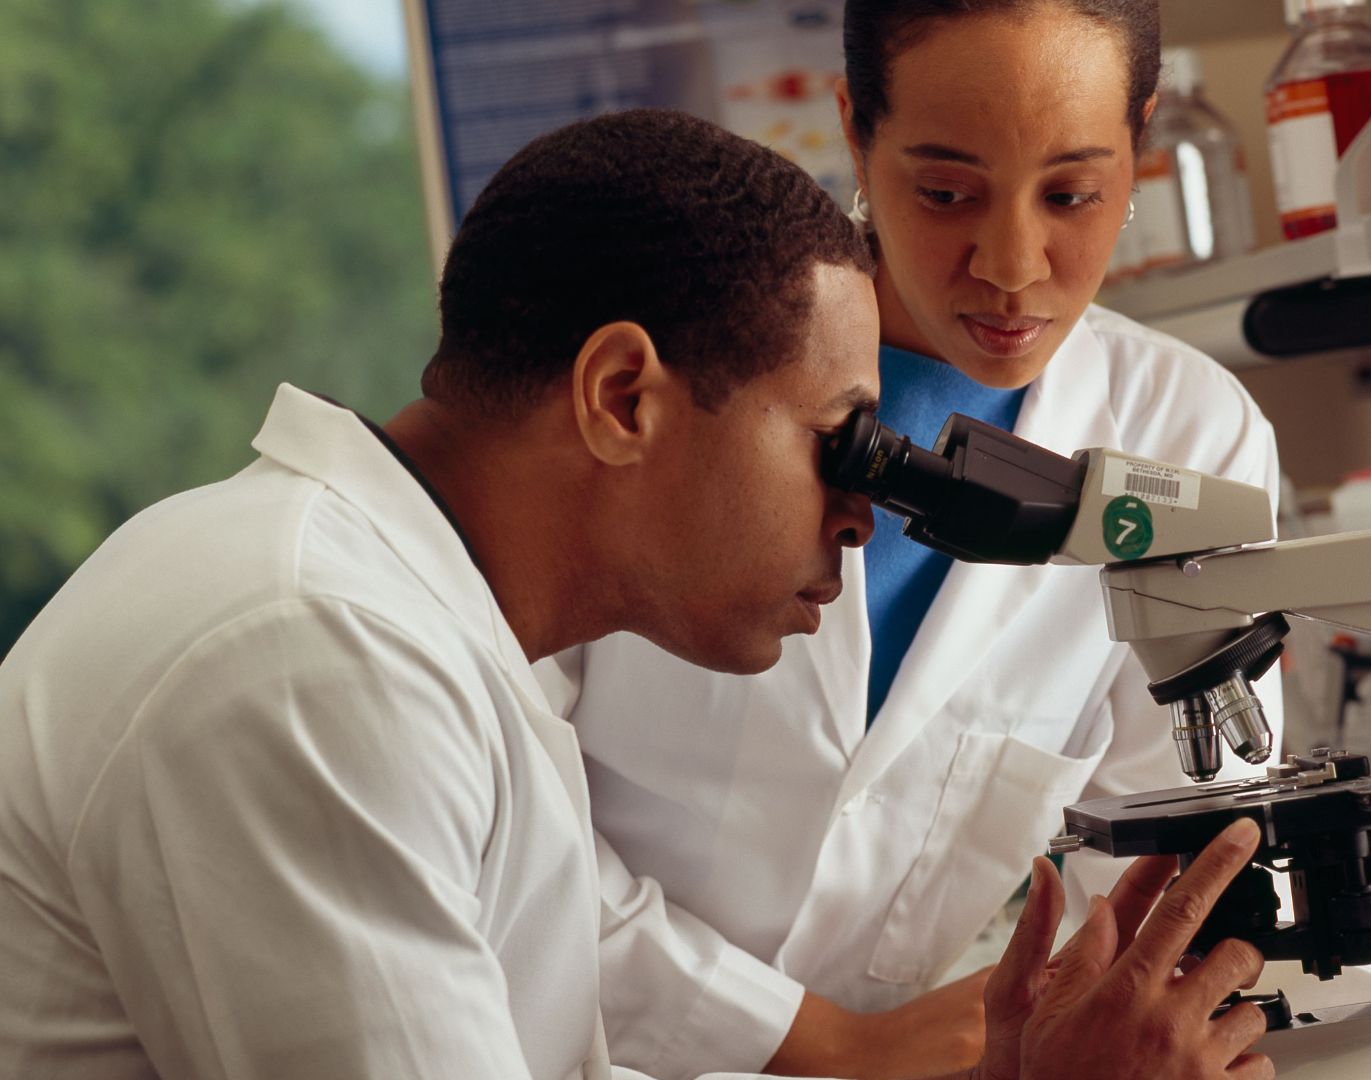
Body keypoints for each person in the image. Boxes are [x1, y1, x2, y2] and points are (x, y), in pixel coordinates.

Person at [0, 108, 1274, 1080]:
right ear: (624, 397)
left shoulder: (438, 645)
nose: (859, 514)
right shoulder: (313, 661)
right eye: (839, 442)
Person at [566, 5, 1307, 1080]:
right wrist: (828, 1046)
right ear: (854, 129)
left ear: (1139, 142)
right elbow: (508, 802)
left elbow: (1175, 859)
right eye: (947, 194)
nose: (1011, 266)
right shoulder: (668, 385)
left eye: (1072, 194)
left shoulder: (1186, 434)